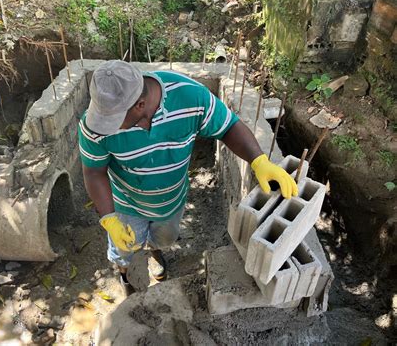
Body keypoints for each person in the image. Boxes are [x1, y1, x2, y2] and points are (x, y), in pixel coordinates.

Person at [79, 60, 298, 295]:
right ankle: (127, 277)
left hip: (171, 202)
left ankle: (155, 252)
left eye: (113, 121)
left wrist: (259, 161)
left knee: (164, 238)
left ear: (140, 104)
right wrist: (110, 219)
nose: (105, 127)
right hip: (126, 205)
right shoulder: (94, 127)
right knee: (124, 250)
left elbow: (227, 127)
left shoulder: (190, 97)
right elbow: (94, 171)